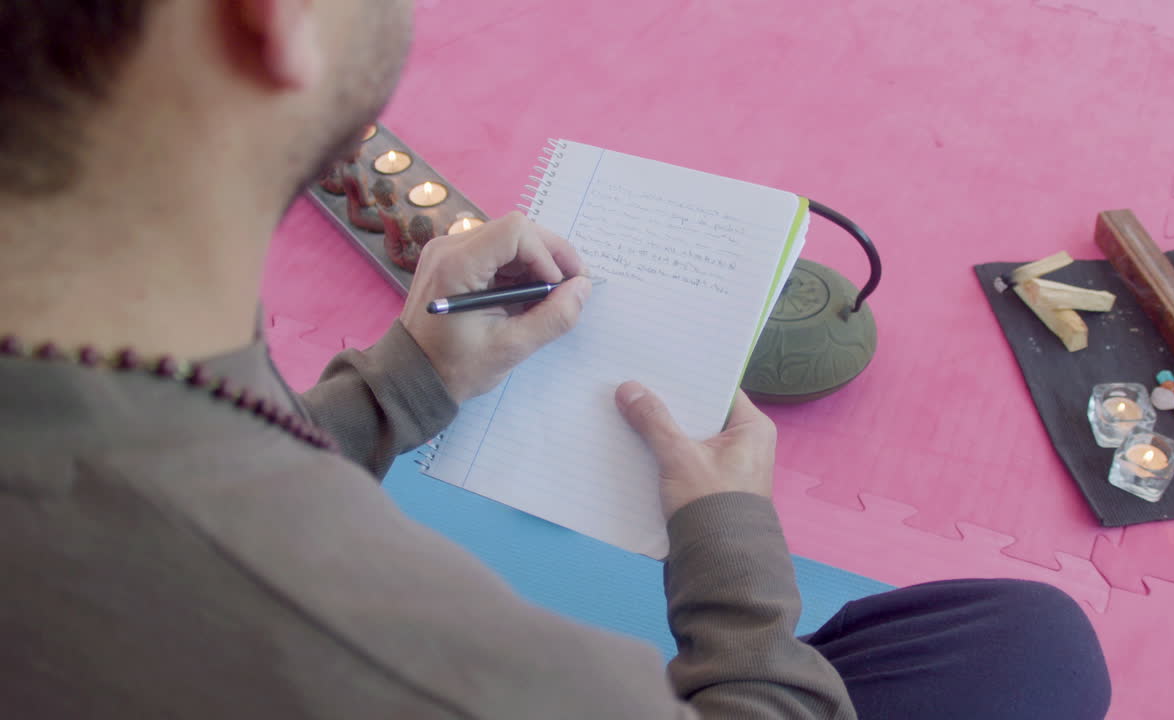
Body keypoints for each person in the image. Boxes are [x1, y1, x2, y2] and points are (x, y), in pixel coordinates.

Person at [0, 2, 1111, 718]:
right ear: (273, 21)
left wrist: (399, 384)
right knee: (1040, 662)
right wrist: (732, 561)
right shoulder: (413, 658)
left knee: (1013, 641)